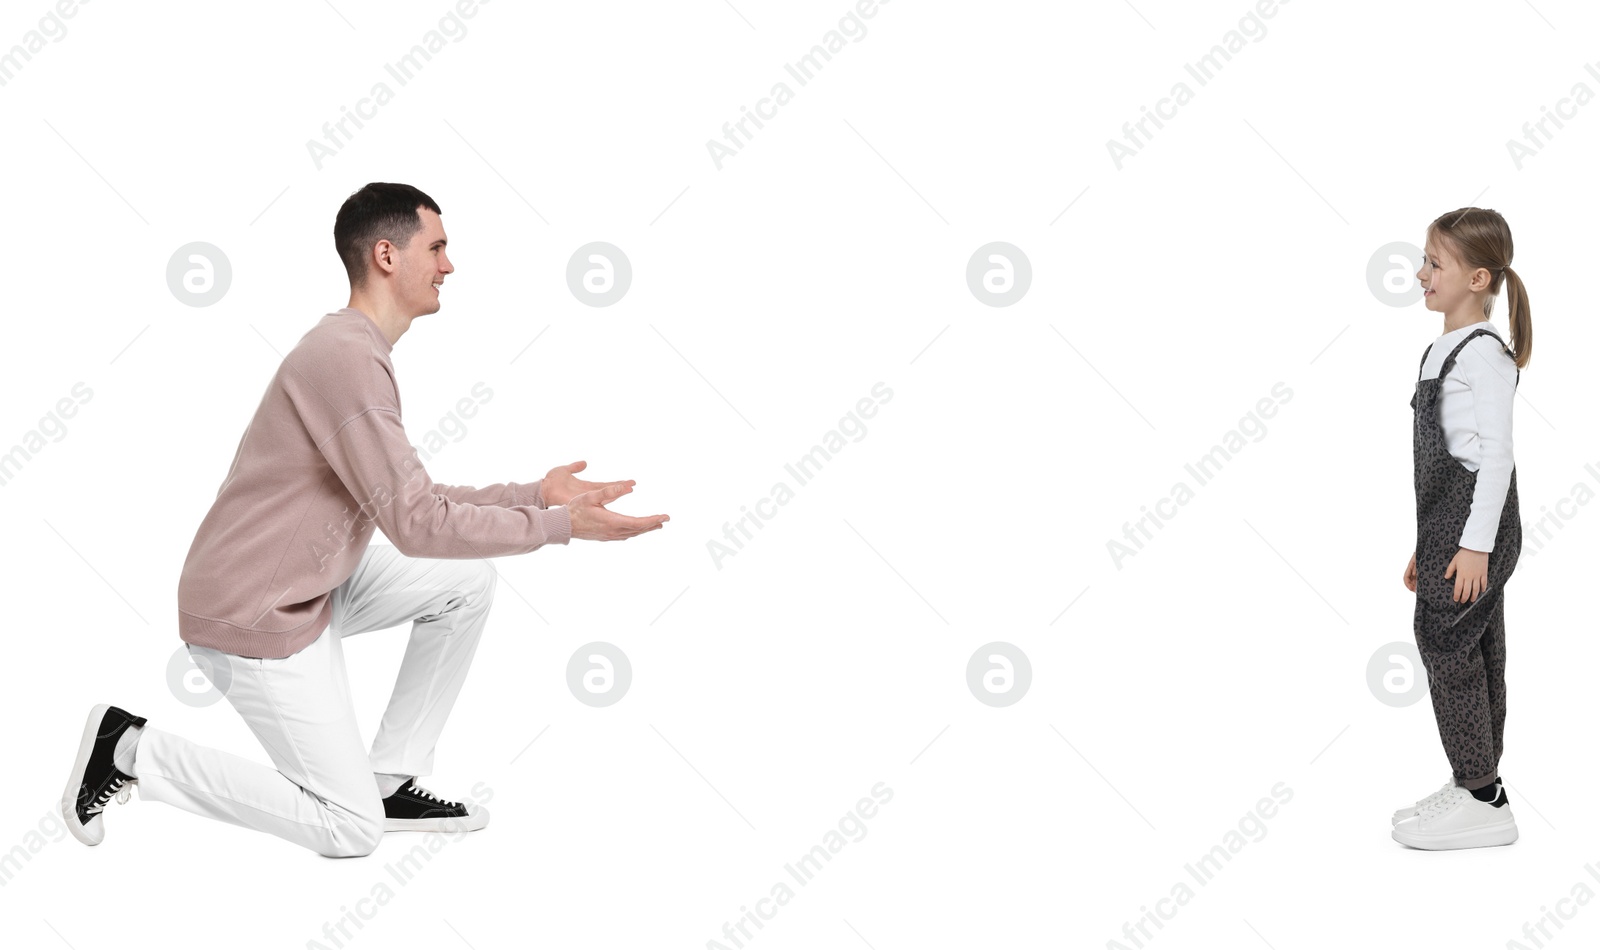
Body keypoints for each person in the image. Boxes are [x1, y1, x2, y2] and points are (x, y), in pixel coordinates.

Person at [60, 182, 669, 856]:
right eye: (437, 247)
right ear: (386, 254)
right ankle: (132, 751)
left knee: (465, 585)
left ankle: (386, 780)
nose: (449, 265)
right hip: (253, 610)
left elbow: (413, 500)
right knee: (347, 831)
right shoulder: (347, 360)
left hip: (306, 583)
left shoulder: (354, 351)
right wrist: (559, 529)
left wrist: (534, 497)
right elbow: (416, 523)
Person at [1391, 207, 1532, 850]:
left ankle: (1479, 796)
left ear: (1478, 278)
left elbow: (1494, 459)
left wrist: (1473, 545)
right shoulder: (1439, 349)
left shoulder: (1486, 357)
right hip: (1449, 522)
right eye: (1423, 259)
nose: (1421, 273)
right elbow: (1445, 461)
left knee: (1445, 643)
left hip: (1479, 524)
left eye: (1434, 262)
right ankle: (1479, 784)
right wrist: (1429, 543)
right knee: (1471, 645)